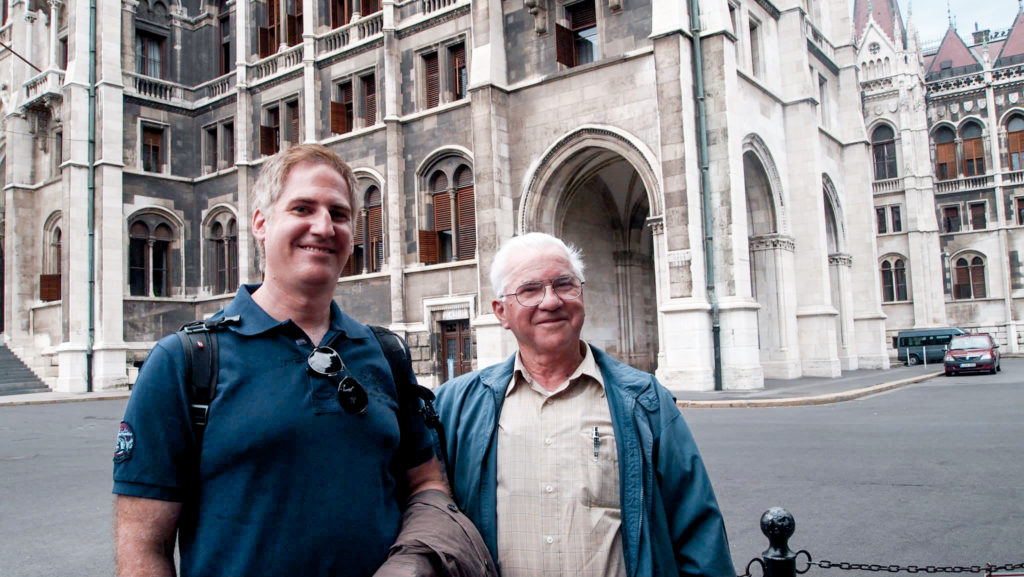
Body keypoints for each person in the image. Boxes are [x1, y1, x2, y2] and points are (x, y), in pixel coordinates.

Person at [112, 144, 448, 577]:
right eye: (303, 208)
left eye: (339, 214)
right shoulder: (184, 361)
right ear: (261, 223)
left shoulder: (384, 353)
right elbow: (143, 551)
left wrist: (415, 559)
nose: (323, 227)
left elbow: (426, 483)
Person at [434, 232, 736, 577]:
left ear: (582, 294)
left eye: (564, 284)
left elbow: (698, 532)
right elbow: (431, 520)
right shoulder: (455, 407)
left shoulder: (644, 401)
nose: (551, 301)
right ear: (501, 312)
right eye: (530, 290)